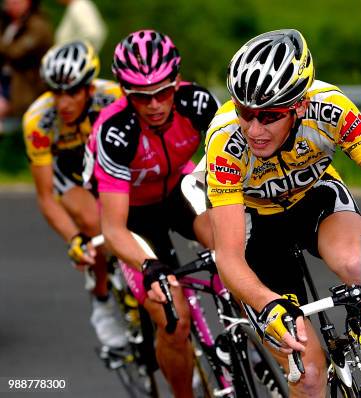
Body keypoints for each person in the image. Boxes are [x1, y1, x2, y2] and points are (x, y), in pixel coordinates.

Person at [194, 29, 361, 398]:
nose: (254, 129)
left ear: (299, 106)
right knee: (310, 373)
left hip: (315, 199)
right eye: (244, 112)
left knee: (360, 266)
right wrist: (267, 305)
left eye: (268, 116)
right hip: (257, 226)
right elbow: (229, 255)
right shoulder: (226, 142)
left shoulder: (330, 110)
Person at [85, 30, 219, 398]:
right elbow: (113, 228)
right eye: (142, 97)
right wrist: (149, 266)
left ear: (177, 81)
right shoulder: (116, 132)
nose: (156, 104)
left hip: (178, 190)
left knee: (233, 246)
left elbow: (229, 169)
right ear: (126, 94)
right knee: (173, 320)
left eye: (163, 92)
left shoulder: (197, 103)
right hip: (132, 214)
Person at [22, 40, 126, 347]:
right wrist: (74, 239)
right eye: (56, 93)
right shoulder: (38, 120)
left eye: (72, 92)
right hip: (69, 173)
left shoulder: (114, 97)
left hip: (107, 162)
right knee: (94, 226)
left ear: (89, 88)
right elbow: (45, 197)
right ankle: (102, 302)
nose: (64, 102)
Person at [0, 0, 52, 130]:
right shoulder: (9, 23)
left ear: (28, 3)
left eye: (16, 1)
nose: (10, 4)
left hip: (24, 86)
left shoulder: (38, 26)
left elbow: (15, 52)